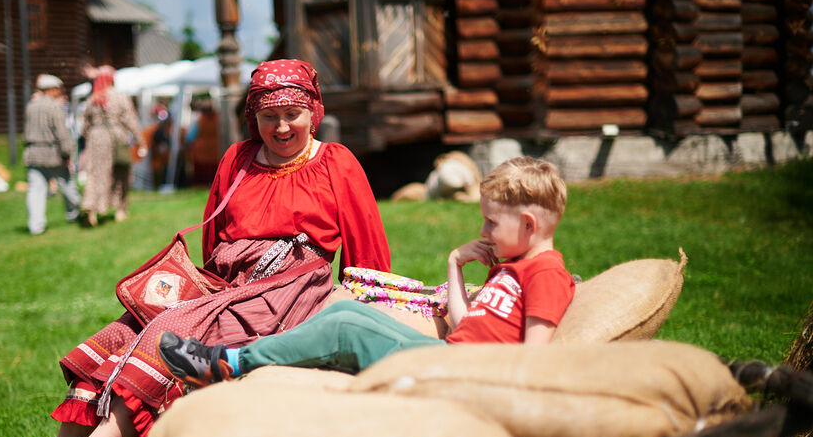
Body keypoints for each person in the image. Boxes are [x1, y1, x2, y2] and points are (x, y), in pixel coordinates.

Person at [0, 59, 391, 437]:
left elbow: (366, 245)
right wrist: (207, 289)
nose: (280, 127)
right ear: (253, 117)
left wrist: (363, 309)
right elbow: (214, 237)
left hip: (288, 293)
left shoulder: (335, 162)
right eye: (268, 116)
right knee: (120, 332)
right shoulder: (237, 158)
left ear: (312, 112)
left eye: (291, 115)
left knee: (167, 335)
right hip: (226, 283)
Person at [158, 157, 575, 385]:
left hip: (458, 372)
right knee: (346, 313)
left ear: (528, 226)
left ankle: (230, 362)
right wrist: (456, 262)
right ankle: (236, 360)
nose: (483, 231)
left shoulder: (544, 275)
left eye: (491, 223)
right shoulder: (510, 269)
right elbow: (461, 324)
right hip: (451, 354)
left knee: (345, 330)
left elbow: (532, 362)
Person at [23, 73, 82, 235]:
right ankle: (74, 214)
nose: (59, 91)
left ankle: (35, 226)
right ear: (50, 89)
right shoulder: (54, 106)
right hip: (52, 154)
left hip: (33, 154)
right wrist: (68, 152)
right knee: (68, 184)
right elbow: (62, 132)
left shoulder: (30, 106)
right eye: (57, 88)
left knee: (36, 190)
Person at [80, 67, 139, 225]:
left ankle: (91, 209)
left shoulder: (92, 99)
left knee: (96, 174)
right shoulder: (120, 97)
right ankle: (120, 210)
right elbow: (130, 120)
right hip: (117, 136)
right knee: (121, 173)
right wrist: (140, 140)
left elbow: (84, 126)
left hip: (96, 138)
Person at [185, 97, 220, 187]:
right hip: (214, 154)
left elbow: (189, 138)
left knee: (200, 182)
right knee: (212, 181)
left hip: (201, 155)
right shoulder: (218, 120)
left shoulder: (199, 121)